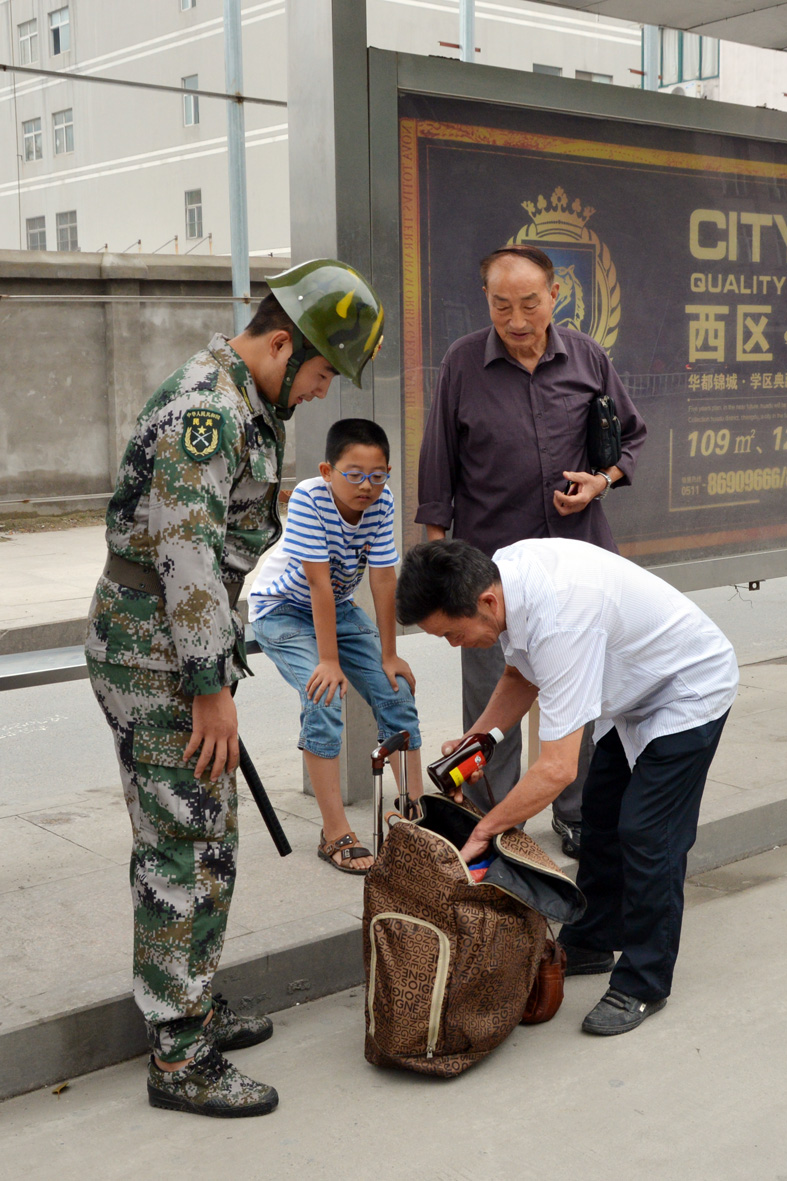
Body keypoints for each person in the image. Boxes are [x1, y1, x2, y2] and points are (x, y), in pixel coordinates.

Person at [85, 259, 385, 1117]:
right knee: (182, 843)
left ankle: (195, 1003)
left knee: (210, 835)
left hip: (182, 647)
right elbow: (181, 555)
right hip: (157, 653)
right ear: (282, 343)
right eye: (324, 369)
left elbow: (222, 534)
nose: (325, 389)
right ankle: (178, 1057)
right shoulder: (209, 412)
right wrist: (210, 686)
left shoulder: (252, 402)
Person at [395, 538, 738, 1036]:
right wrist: (482, 738)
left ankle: (644, 982)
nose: (452, 645)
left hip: (687, 687)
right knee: (601, 814)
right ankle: (595, 938)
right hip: (634, 691)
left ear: (486, 603)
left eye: (451, 633)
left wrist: (486, 830)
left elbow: (556, 770)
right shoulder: (502, 577)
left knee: (648, 832)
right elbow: (520, 671)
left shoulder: (561, 618)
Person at [416, 243, 647, 858]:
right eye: (501, 306)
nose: (517, 320)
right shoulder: (463, 364)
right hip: (490, 573)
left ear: (554, 297)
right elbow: (437, 473)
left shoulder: (588, 357)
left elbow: (630, 439)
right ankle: (494, 819)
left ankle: (577, 815)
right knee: (495, 697)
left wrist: (603, 481)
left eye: (529, 304)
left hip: (578, 563)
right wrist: (440, 568)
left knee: (580, 701)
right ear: (487, 302)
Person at [249, 418, 423, 873]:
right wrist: (328, 661)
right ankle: (335, 832)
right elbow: (318, 584)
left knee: (397, 691)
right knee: (323, 695)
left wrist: (389, 654)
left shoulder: (381, 502)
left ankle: (417, 819)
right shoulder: (309, 496)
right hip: (282, 608)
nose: (367, 485)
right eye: (354, 474)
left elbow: (384, 578)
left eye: (378, 474)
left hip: (338, 610)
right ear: (328, 470)